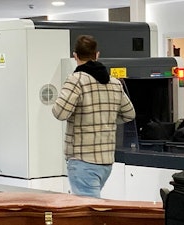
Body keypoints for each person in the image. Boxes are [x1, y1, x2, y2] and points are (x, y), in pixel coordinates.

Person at [52, 35, 136, 198]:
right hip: (106, 161)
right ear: (97, 55)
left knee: (88, 212)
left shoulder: (76, 80)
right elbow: (129, 113)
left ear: (75, 56)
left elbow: (59, 112)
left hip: (83, 160)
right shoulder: (114, 82)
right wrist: (107, 119)